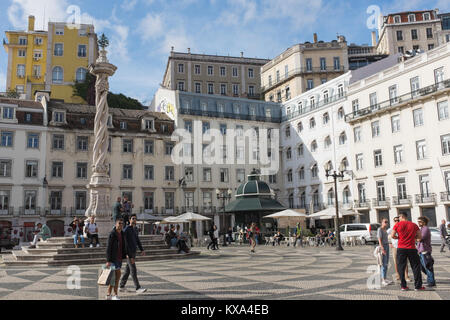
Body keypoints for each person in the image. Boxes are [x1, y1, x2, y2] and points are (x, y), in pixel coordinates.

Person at [391, 212, 424, 291]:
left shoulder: (397, 225)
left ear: (402, 216)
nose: (398, 219)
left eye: (399, 217)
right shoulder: (414, 225)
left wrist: (398, 238)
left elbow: (392, 235)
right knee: (416, 267)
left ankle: (403, 286)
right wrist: (413, 238)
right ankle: (418, 286)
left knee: (401, 267)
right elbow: (420, 236)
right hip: (411, 248)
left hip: (401, 248)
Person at [119, 214, 147, 294]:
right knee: (133, 269)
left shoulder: (135, 229)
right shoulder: (126, 229)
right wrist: (127, 254)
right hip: (129, 253)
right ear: (129, 220)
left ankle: (121, 286)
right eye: (133, 218)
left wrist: (142, 249)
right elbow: (124, 242)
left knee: (127, 270)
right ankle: (137, 288)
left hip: (133, 252)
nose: (134, 220)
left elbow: (137, 240)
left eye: (135, 218)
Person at [106, 218, 127, 300]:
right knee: (116, 276)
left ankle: (109, 294)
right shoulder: (112, 234)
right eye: (119, 223)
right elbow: (108, 247)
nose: (121, 225)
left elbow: (124, 246)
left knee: (115, 277)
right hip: (113, 259)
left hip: (119, 258)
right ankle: (114, 294)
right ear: (116, 224)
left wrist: (126, 254)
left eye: (122, 223)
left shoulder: (122, 233)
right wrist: (108, 260)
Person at [388, 216, 411, 282]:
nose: (397, 221)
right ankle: (398, 275)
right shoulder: (391, 229)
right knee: (396, 262)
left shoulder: (403, 227)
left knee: (405, 262)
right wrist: (390, 243)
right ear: (393, 221)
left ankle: (406, 276)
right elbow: (387, 236)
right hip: (395, 247)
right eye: (395, 220)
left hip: (403, 246)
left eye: (398, 220)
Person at [417, 216, 436, 287]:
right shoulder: (422, 229)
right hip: (421, 251)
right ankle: (430, 279)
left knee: (428, 266)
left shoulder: (425, 229)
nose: (418, 223)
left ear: (423, 222)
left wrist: (415, 237)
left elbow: (419, 239)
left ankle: (431, 281)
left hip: (425, 250)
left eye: (419, 221)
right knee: (423, 267)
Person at [377, 218, 392, 286]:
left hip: (387, 246)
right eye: (385, 222)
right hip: (383, 246)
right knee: (383, 263)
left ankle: (385, 278)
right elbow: (379, 239)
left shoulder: (385, 229)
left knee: (386, 263)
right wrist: (382, 248)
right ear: (381, 222)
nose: (386, 223)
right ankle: (383, 279)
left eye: (387, 222)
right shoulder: (380, 229)